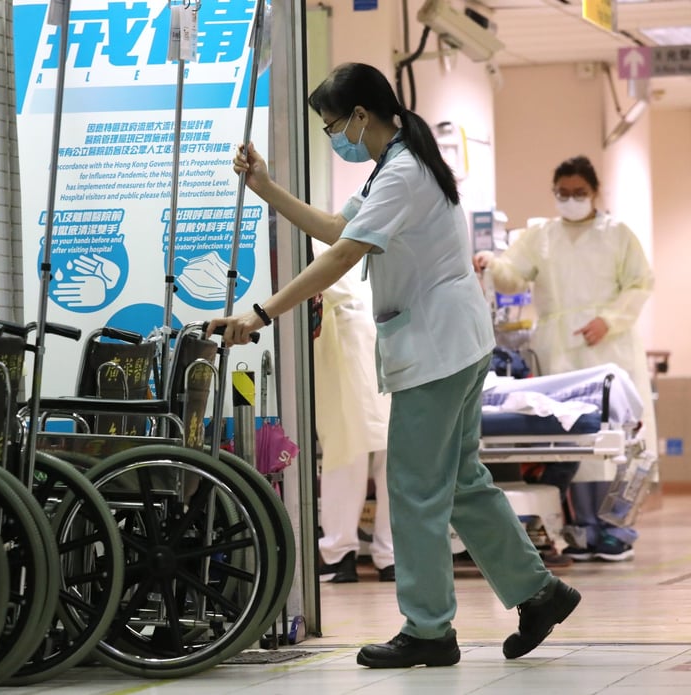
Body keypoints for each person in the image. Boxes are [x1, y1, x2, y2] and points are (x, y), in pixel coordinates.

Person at [207, 62, 580, 669]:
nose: (334, 136)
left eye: (332, 125)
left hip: (437, 350)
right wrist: (268, 190)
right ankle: (540, 591)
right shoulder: (398, 164)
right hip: (453, 344)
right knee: (460, 481)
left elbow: (344, 255)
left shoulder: (402, 172)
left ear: (360, 115)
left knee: (413, 491)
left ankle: (430, 629)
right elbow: (336, 228)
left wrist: (260, 314)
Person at [473, 155, 655, 562]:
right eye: (563, 193)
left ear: (595, 192)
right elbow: (513, 275)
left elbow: (641, 284)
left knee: (618, 436)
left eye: (579, 193)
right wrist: (491, 264)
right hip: (559, 347)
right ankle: (582, 528)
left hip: (611, 344)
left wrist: (609, 320)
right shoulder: (543, 236)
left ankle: (615, 528)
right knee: (572, 436)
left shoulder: (618, 233)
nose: (570, 200)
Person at [313, 241, 395, 583]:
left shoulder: (311, 243)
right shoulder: (384, 242)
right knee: (394, 456)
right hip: (390, 338)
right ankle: (392, 557)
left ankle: (338, 555)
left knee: (345, 453)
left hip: (345, 340)